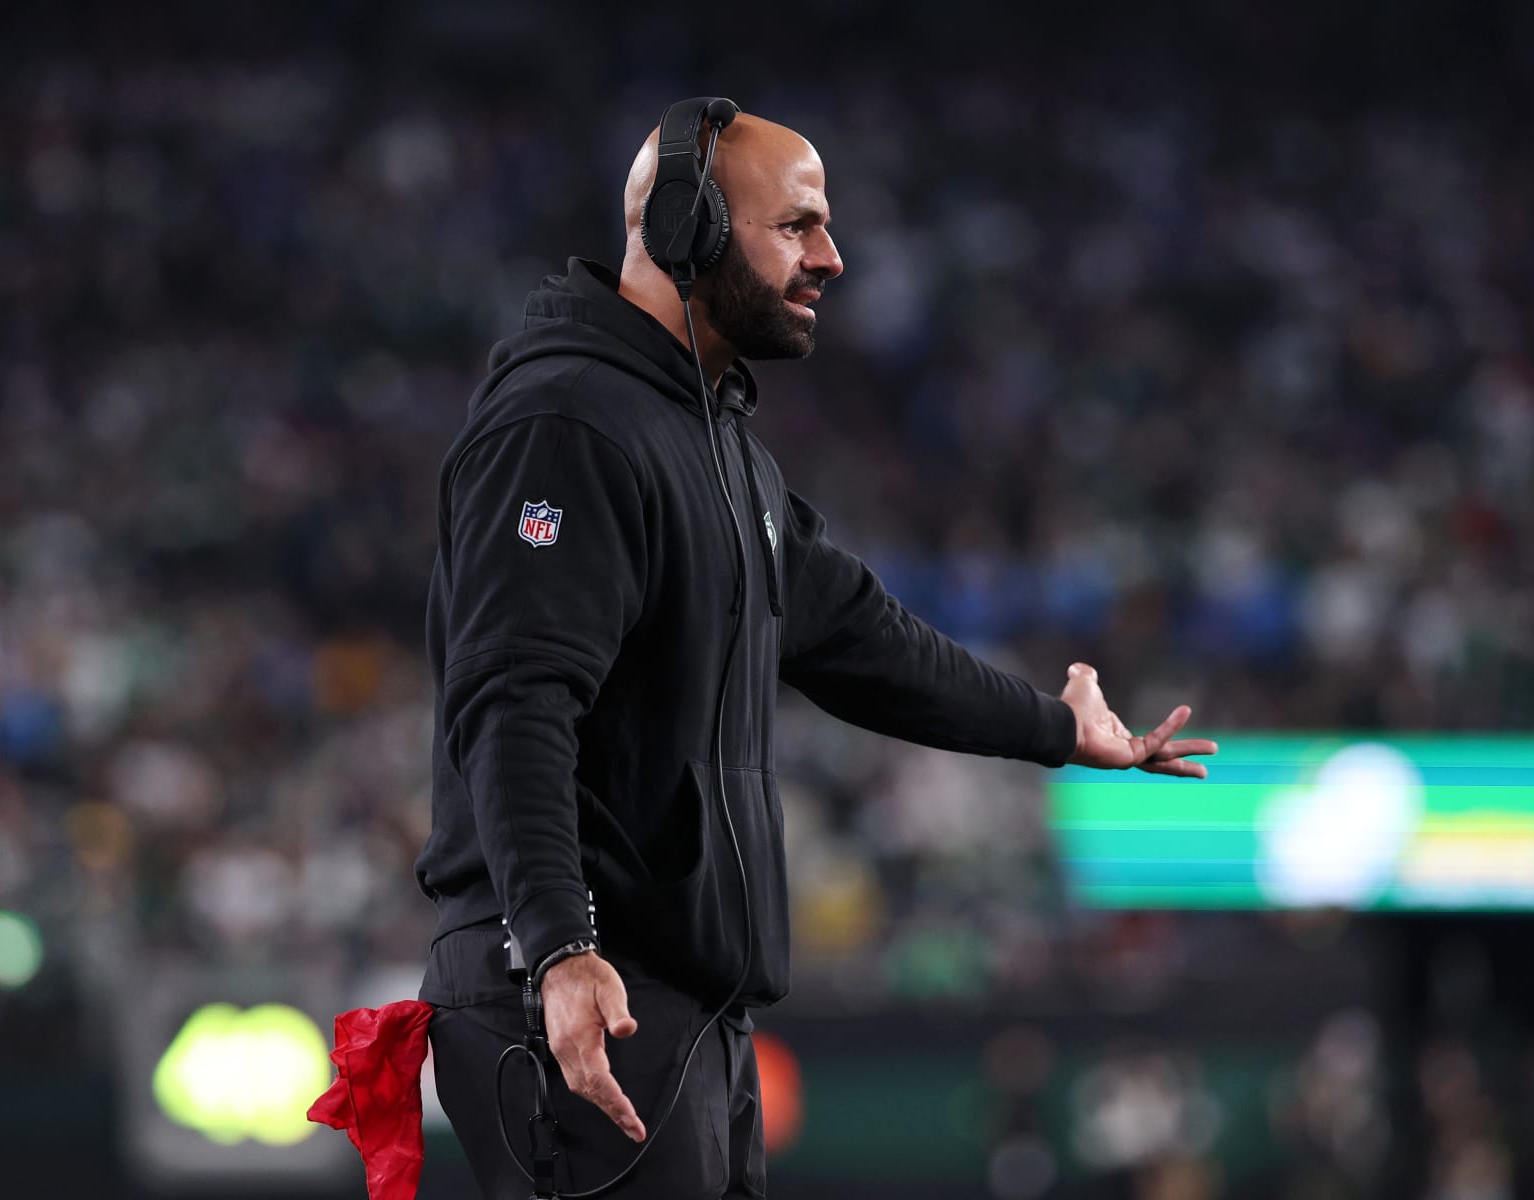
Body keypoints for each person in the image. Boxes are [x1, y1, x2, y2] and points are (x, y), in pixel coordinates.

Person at [413, 99, 1217, 1200]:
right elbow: (514, 701)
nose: (832, 258)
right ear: (687, 227)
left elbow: (857, 635)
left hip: (684, 1011)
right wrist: (558, 948)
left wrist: (1051, 727)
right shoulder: (568, 420)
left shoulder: (710, 437)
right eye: (796, 226)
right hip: (585, 994)